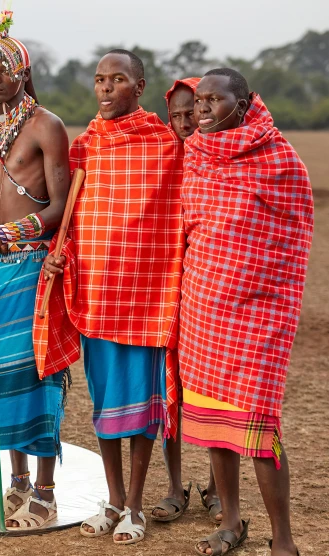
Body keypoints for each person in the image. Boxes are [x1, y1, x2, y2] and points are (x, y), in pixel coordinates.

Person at [39, 50, 184, 544]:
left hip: (145, 296)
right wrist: (60, 255)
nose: (105, 89)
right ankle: (114, 499)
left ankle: (137, 507)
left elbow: (176, 215)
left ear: (139, 87)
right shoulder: (85, 147)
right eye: (99, 80)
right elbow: (73, 220)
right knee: (104, 405)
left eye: (117, 80)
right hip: (98, 295)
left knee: (142, 406)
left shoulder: (165, 145)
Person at [180, 68, 312, 556]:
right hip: (205, 308)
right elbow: (190, 228)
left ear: (245, 101)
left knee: (258, 427)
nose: (204, 107)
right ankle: (231, 521)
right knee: (215, 422)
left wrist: (257, 284)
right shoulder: (197, 153)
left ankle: (285, 542)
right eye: (200, 99)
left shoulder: (278, 159)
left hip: (257, 313)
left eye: (216, 99)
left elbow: (293, 237)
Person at [0, 8, 70, 530]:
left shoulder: (46, 125)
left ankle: (46, 492)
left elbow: (57, 208)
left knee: (40, 372)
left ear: (23, 73)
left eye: (3, 68)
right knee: (1, 376)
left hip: (33, 266)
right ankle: (18, 484)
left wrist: (4, 234)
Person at [151, 76, 221, 525]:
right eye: (173, 115)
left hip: (211, 288)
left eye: (189, 112)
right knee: (167, 388)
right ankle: (176, 487)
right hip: (166, 287)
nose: (181, 122)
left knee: (215, 388)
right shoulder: (162, 157)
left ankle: (218, 488)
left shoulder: (226, 159)